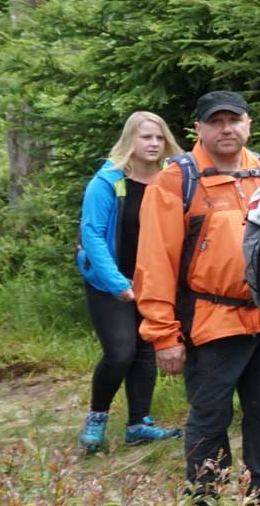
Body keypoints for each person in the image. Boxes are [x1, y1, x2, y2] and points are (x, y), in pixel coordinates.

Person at [135, 91, 260, 506]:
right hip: (210, 323)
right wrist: (163, 335)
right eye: (215, 121)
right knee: (208, 421)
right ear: (198, 129)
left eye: (234, 120)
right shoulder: (176, 180)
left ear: (248, 123)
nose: (226, 129)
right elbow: (155, 262)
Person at [75, 111, 186, 454]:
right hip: (112, 282)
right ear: (130, 141)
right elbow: (91, 234)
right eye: (145, 137)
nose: (153, 144)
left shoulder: (173, 177)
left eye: (158, 137)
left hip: (155, 282)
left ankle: (139, 423)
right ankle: (97, 417)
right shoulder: (108, 181)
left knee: (145, 352)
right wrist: (117, 283)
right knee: (120, 352)